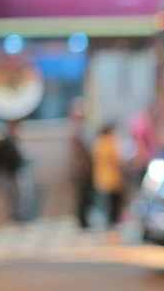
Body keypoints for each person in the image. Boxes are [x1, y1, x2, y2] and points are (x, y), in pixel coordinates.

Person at [92, 122, 124, 228]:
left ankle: (107, 224)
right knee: (110, 205)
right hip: (110, 178)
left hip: (101, 178)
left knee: (104, 204)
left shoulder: (98, 142)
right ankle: (110, 225)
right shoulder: (109, 143)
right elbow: (117, 158)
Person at [69, 97, 94, 228]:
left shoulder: (82, 129)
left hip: (84, 168)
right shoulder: (76, 131)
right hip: (82, 169)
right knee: (83, 196)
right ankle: (83, 221)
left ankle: (85, 219)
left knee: (87, 195)